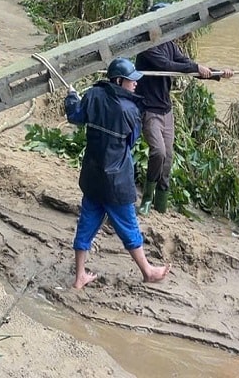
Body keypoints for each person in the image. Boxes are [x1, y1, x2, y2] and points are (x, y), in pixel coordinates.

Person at [64, 57, 171, 289]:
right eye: (131, 80)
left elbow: (75, 116)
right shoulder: (130, 110)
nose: (135, 83)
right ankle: (148, 271)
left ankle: (80, 275)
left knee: (86, 224)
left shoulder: (93, 95)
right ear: (119, 81)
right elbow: (130, 142)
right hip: (117, 181)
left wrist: (72, 97)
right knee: (129, 226)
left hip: (92, 176)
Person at [135, 2, 233, 215]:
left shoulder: (169, 45)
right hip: (149, 108)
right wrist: (195, 67)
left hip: (166, 110)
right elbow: (167, 66)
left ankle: (161, 199)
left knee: (168, 157)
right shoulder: (146, 47)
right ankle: (147, 197)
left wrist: (217, 73)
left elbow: (186, 65)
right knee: (158, 152)